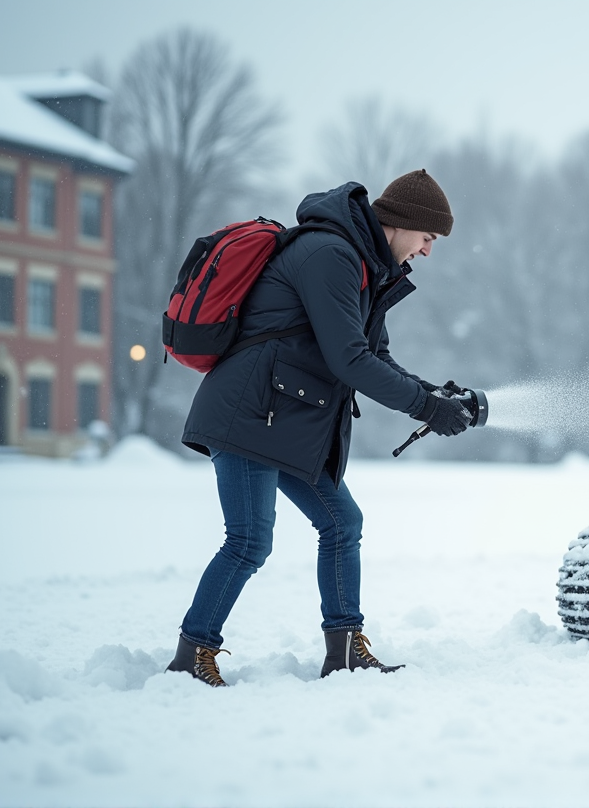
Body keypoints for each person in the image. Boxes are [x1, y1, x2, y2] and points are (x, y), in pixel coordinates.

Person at [166, 170, 472, 687]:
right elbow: (349, 359)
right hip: (247, 413)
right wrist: (423, 407)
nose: (427, 252)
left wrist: (433, 397)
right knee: (249, 541)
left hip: (283, 421)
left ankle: (346, 651)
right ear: (402, 225)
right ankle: (192, 655)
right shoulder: (330, 254)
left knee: (341, 522)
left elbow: (376, 354)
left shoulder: (367, 265)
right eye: (428, 239)